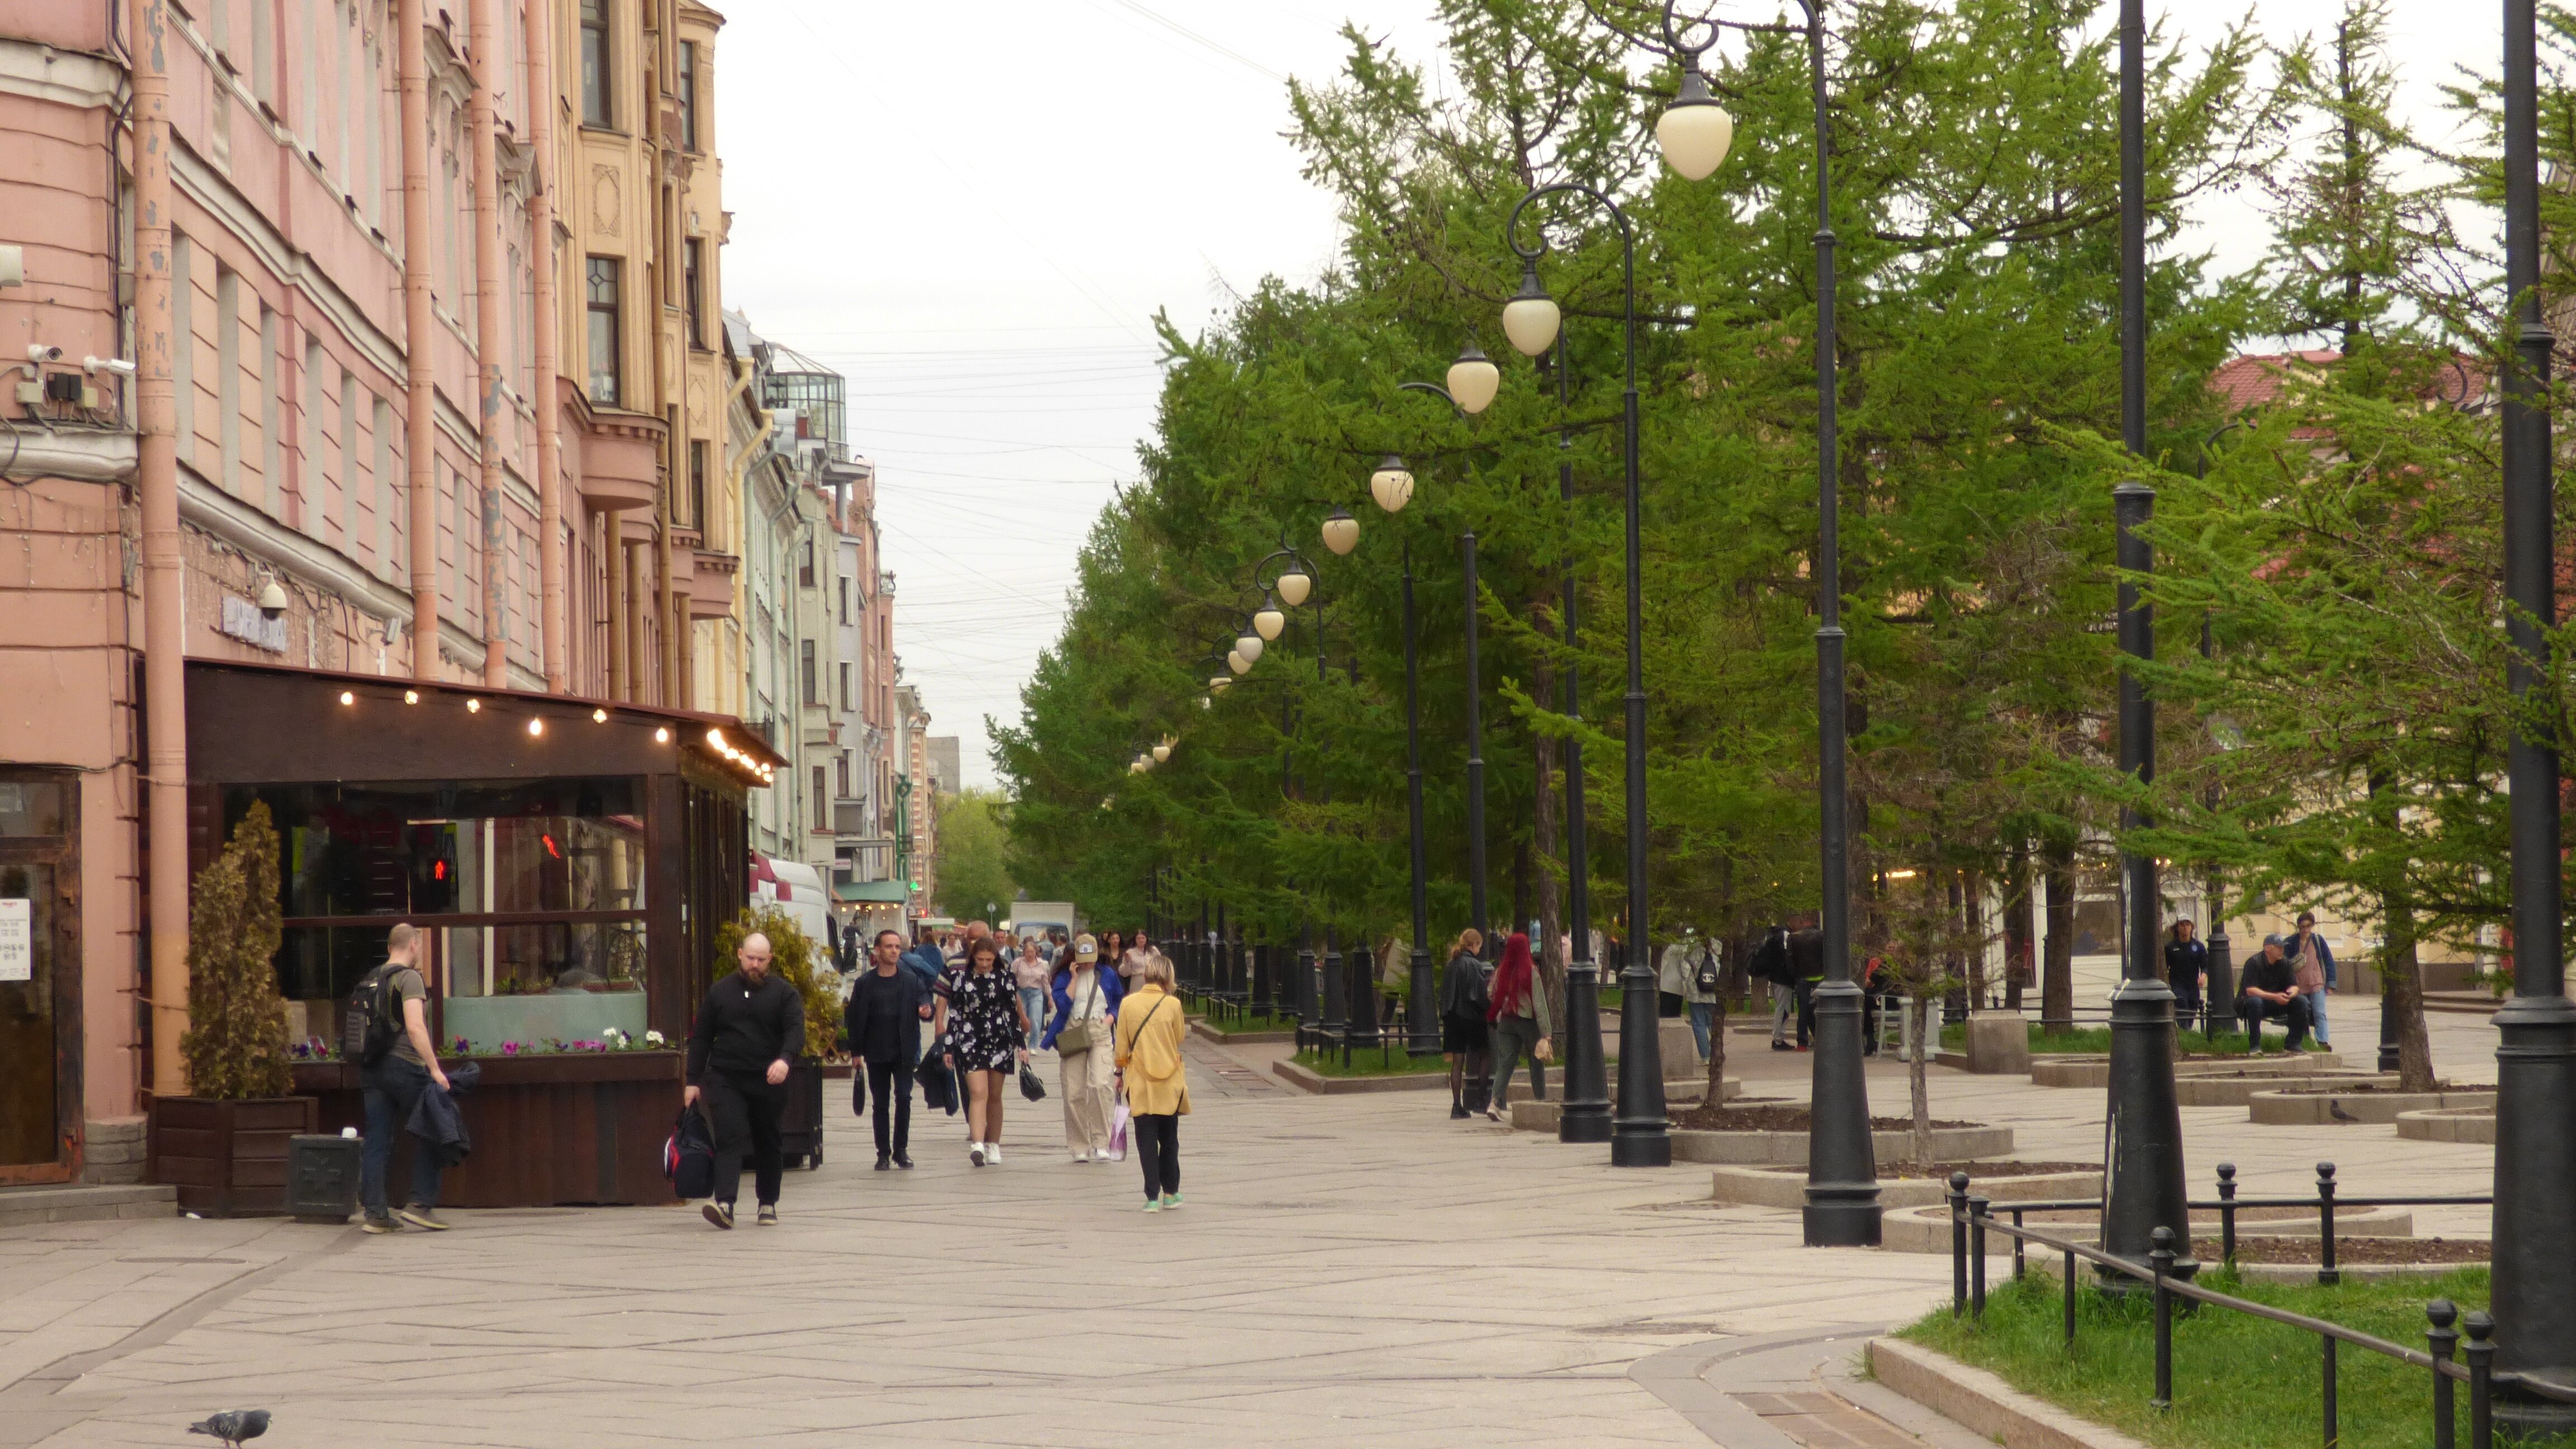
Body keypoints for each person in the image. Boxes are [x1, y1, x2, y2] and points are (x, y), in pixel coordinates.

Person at [685, 931, 804, 1229]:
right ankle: (725, 1203)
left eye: (761, 960)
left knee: (768, 1139)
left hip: (769, 1079)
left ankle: (768, 1203)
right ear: (740, 955)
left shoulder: (784, 993)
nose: (755, 965)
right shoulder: (720, 992)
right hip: (727, 1077)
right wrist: (692, 1080)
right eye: (750, 958)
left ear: (770, 960)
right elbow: (701, 1038)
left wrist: (785, 1060)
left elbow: (795, 1032)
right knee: (729, 1136)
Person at [358, 923, 451, 1234]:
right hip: (403, 1066)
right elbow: (415, 1027)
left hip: (372, 1069)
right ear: (413, 946)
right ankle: (420, 1204)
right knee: (437, 1124)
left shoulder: (371, 978)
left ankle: (375, 1214)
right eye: (419, 946)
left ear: (388, 948)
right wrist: (435, 1069)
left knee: (378, 1139)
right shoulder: (409, 978)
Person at [935, 935, 1030, 1167]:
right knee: (978, 1093)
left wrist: (1022, 1046)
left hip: (1000, 1040)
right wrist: (948, 1045)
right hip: (969, 1040)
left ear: (995, 958)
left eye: (989, 959)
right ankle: (977, 1144)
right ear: (972, 958)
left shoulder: (1006, 978)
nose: (985, 964)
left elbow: (1012, 1014)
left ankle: (994, 1145)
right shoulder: (960, 979)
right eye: (981, 959)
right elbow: (954, 1015)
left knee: (995, 1097)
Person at [845, 928, 933, 1169]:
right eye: (889, 947)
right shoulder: (865, 984)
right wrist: (855, 1053)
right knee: (880, 1104)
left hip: (904, 1050)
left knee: (904, 1098)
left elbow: (926, 1002)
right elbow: (854, 1018)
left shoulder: (909, 980)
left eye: (897, 947)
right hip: (876, 1051)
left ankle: (901, 1150)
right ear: (877, 951)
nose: (894, 951)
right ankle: (883, 1153)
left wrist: (926, 1010)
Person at [1114, 948, 1190, 1211]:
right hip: (1169, 1080)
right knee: (1169, 1138)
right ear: (1168, 977)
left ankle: (1152, 1197)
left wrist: (1118, 1074)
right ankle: (1171, 1192)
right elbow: (1179, 1038)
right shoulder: (1173, 1005)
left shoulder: (1128, 1004)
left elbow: (1121, 1047)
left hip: (1140, 1080)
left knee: (1146, 1139)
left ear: (1145, 975)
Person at [1043, 932, 1124, 1162]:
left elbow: (1118, 1000)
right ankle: (1080, 1144)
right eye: (1083, 958)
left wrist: (1111, 1018)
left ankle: (1101, 1142)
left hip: (1100, 1030)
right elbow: (1062, 1004)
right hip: (1073, 1031)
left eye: (1091, 957)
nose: (1088, 963)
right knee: (1074, 1090)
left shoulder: (1107, 974)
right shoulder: (1064, 977)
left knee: (1099, 1084)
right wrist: (1074, 979)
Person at [1484, 931, 1552, 1121]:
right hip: (1528, 1022)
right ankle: (1540, 1101)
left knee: (1505, 1062)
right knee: (1536, 1062)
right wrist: (1547, 1032)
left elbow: (1491, 993)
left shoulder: (1501, 970)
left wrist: (1503, 1005)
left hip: (1506, 1021)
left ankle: (1494, 1102)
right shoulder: (1530, 971)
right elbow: (1539, 1003)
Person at [1438, 927, 1488, 1120]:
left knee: (1458, 1061)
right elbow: (1480, 995)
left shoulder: (1451, 964)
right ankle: (1481, 1101)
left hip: (1452, 1017)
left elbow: (1445, 993)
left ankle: (1457, 1106)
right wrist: (1489, 1015)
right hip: (1471, 1016)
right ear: (1474, 945)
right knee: (1484, 1054)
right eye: (1479, 946)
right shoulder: (1474, 965)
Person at [2236, 934, 2314, 1050]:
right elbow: (2250, 990)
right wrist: (2274, 996)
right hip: (2255, 1003)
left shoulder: (2285, 963)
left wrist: (2291, 993)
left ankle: (2293, 1043)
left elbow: (2294, 986)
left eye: (2282, 948)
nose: (2281, 950)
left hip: (2277, 1001)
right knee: (2255, 1003)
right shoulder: (2254, 963)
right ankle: (2255, 1045)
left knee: (2301, 1001)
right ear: (2267, 948)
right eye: (2278, 947)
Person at [2289, 912, 2335, 1046]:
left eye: (2308, 926)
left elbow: (2329, 961)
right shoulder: (2292, 942)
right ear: (2298, 927)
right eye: (2302, 926)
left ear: (2312, 926)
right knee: (2302, 1013)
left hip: (2317, 983)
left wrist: (2331, 984)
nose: (2305, 930)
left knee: (2320, 1013)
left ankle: (2322, 1042)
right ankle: (2305, 1041)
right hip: (2299, 985)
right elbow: (2286, 963)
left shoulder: (2318, 940)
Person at [1680, 931, 1721, 1063]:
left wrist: (1686, 986)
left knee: (1699, 1023)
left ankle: (1706, 1056)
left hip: (1695, 991)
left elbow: (1685, 969)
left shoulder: (1692, 947)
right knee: (1712, 1022)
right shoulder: (1717, 946)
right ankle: (1717, 1052)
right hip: (1712, 991)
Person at [2164, 920, 2209, 1034]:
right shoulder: (2171, 947)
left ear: (2192, 928)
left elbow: (2205, 965)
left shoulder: (2198, 946)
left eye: (2187, 925)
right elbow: (2165, 966)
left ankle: (2186, 1032)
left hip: (2193, 984)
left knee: (2192, 1005)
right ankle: (2185, 1032)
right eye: (2182, 925)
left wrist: (2203, 977)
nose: (2185, 927)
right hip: (2177, 983)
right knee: (2181, 1002)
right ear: (2178, 928)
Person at [1012, 936, 1053, 1050]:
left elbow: (1045, 982)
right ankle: (1021, 1042)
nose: (1029, 954)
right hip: (1022, 993)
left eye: (1032, 952)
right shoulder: (1018, 963)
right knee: (1022, 1019)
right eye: (1027, 952)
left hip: (1036, 993)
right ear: (1023, 952)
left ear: (1036, 952)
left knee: (1035, 1020)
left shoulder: (1042, 964)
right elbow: (1011, 978)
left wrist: (1049, 997)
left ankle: (1033, 1046)